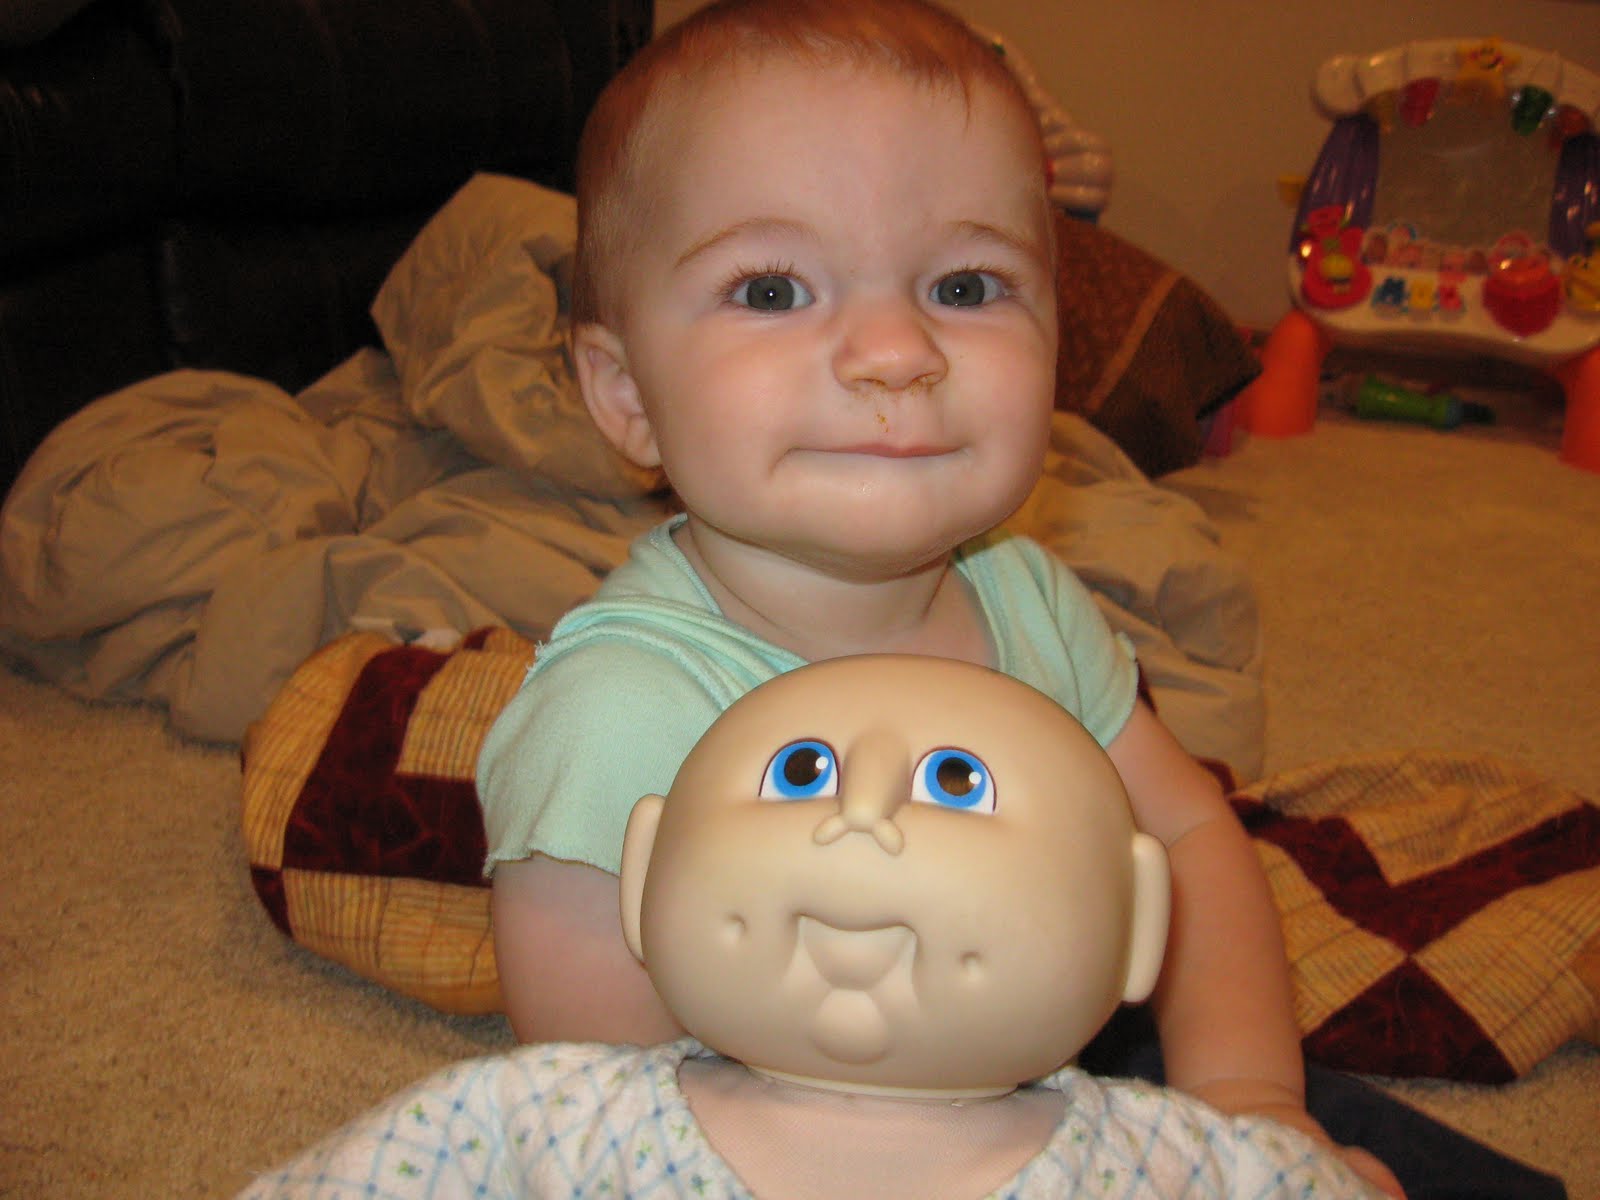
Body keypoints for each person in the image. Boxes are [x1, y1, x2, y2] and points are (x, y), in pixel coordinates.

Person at [475, 3, 1560, 1196]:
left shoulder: (1026, 600)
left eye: (964, 284)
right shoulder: (617, 709)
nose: (894, 350)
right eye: (773, 290)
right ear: (626, 395)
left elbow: (1188, 838)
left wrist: (1245, 1099)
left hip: (1052, 1069)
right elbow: (607, 1112)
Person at [246, 656, 1386, 1198]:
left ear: (1136, 930)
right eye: (802, 773)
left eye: (955, 783)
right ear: (644, 878)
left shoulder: (1179, 1166)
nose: (862, 816)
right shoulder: (534, 1117)